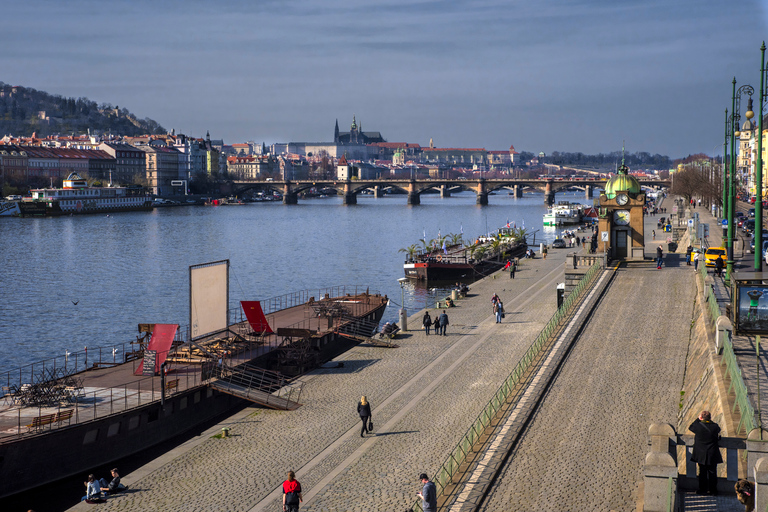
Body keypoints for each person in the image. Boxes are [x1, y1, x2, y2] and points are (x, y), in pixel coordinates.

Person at [689, 410, 722, 495]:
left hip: (701, 454)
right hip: (712, 453)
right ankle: (713, 491)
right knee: (712, 473)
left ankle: (702, 490)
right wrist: (709, 420)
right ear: (710, 418)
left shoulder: (697, 426)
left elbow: (691, 427)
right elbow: (718, 429)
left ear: (701, 417)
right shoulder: (715, 427)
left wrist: (698, 419)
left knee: (702, 473)